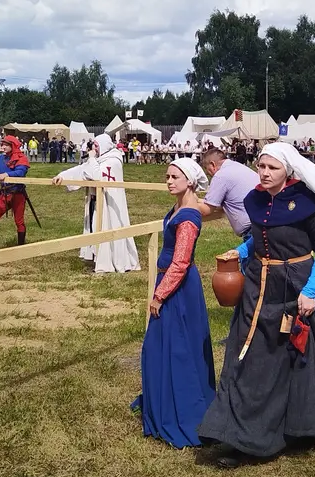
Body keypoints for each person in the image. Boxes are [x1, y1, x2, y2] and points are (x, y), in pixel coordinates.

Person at [197, 142, 315, 468]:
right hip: (258, 286)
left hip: (296, 286)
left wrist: (311, 291)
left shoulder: (307, 204)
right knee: (250, 356)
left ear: (287, 171)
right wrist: (239, 253)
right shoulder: (255, 200)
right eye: (261, 167)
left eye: (272, 168)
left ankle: (298, 427)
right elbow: (259, 237)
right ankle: (240, 433)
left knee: (292, 357)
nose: (265, 173)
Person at [132, 159, 216, 449]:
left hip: (177, 288)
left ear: (189, 180)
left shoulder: (189, 215)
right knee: (163, 346)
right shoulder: (183, 205)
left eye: (174, 176)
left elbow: (180, 262)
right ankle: (163, 399)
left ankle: (182, 408)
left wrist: (159, 295)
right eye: (167, 176)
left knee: (173, 347)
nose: (168, 181)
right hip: (172, 283)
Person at [53, 134, 141, 273]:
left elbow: (97, 176)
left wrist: (92, 158)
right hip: (95, 200)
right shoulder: (99, 160)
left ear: (104, 145)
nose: (94, 148)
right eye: (94, 145)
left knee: (107, 227)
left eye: (97, 145)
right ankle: (98, 257)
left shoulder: (113, 161)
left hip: (108, 203)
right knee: (95, 227)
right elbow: (81, 169)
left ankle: (110, 260)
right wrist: (62, 176)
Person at [197, 147, 259, 238]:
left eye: (207, 169)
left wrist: (184, 206)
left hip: (252, 231)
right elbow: (214, 202)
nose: (209, 174)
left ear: (212, 164)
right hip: (261, 223)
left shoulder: (220, 175)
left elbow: (207, 209)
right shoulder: (238, 167)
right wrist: (197, 200)